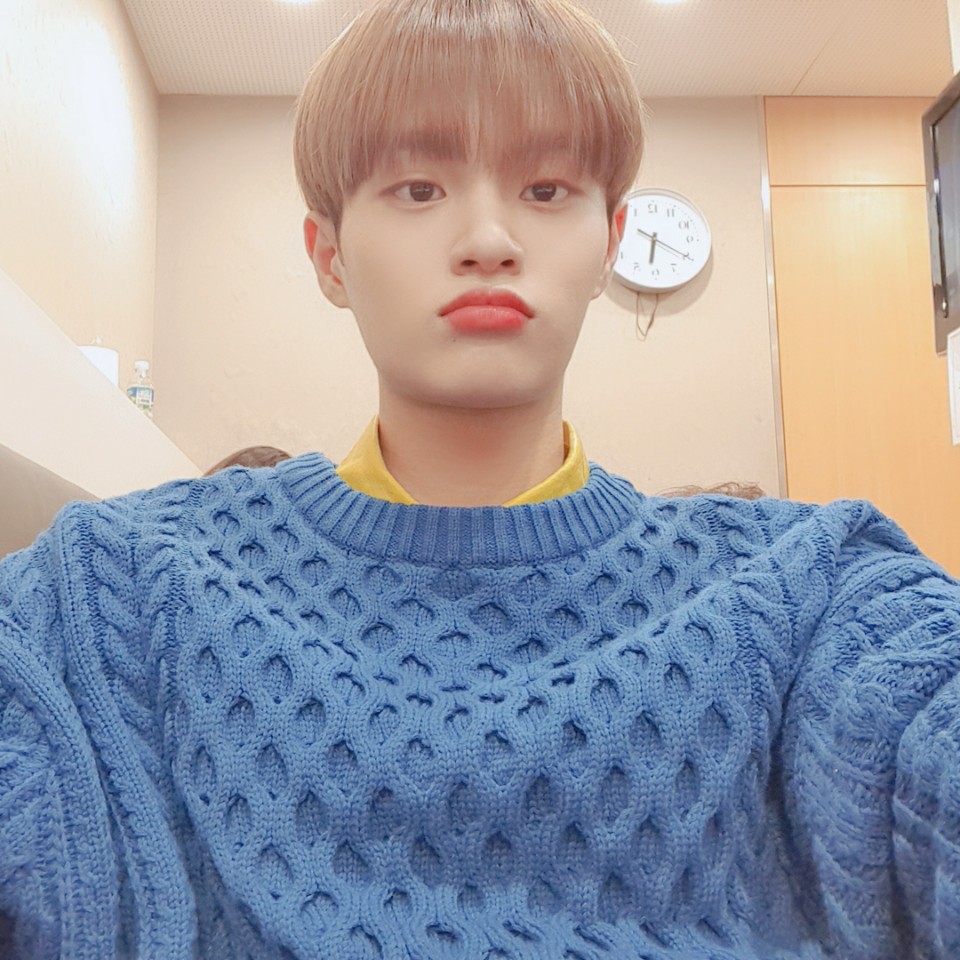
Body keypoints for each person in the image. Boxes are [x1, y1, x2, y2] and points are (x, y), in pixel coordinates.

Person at [1, 0, 958, 957]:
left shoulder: (808, 586)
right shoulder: (115, 587)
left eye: (546, 189)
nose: (489, 238)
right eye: (418, 189)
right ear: (329, 256)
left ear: (610, 242)